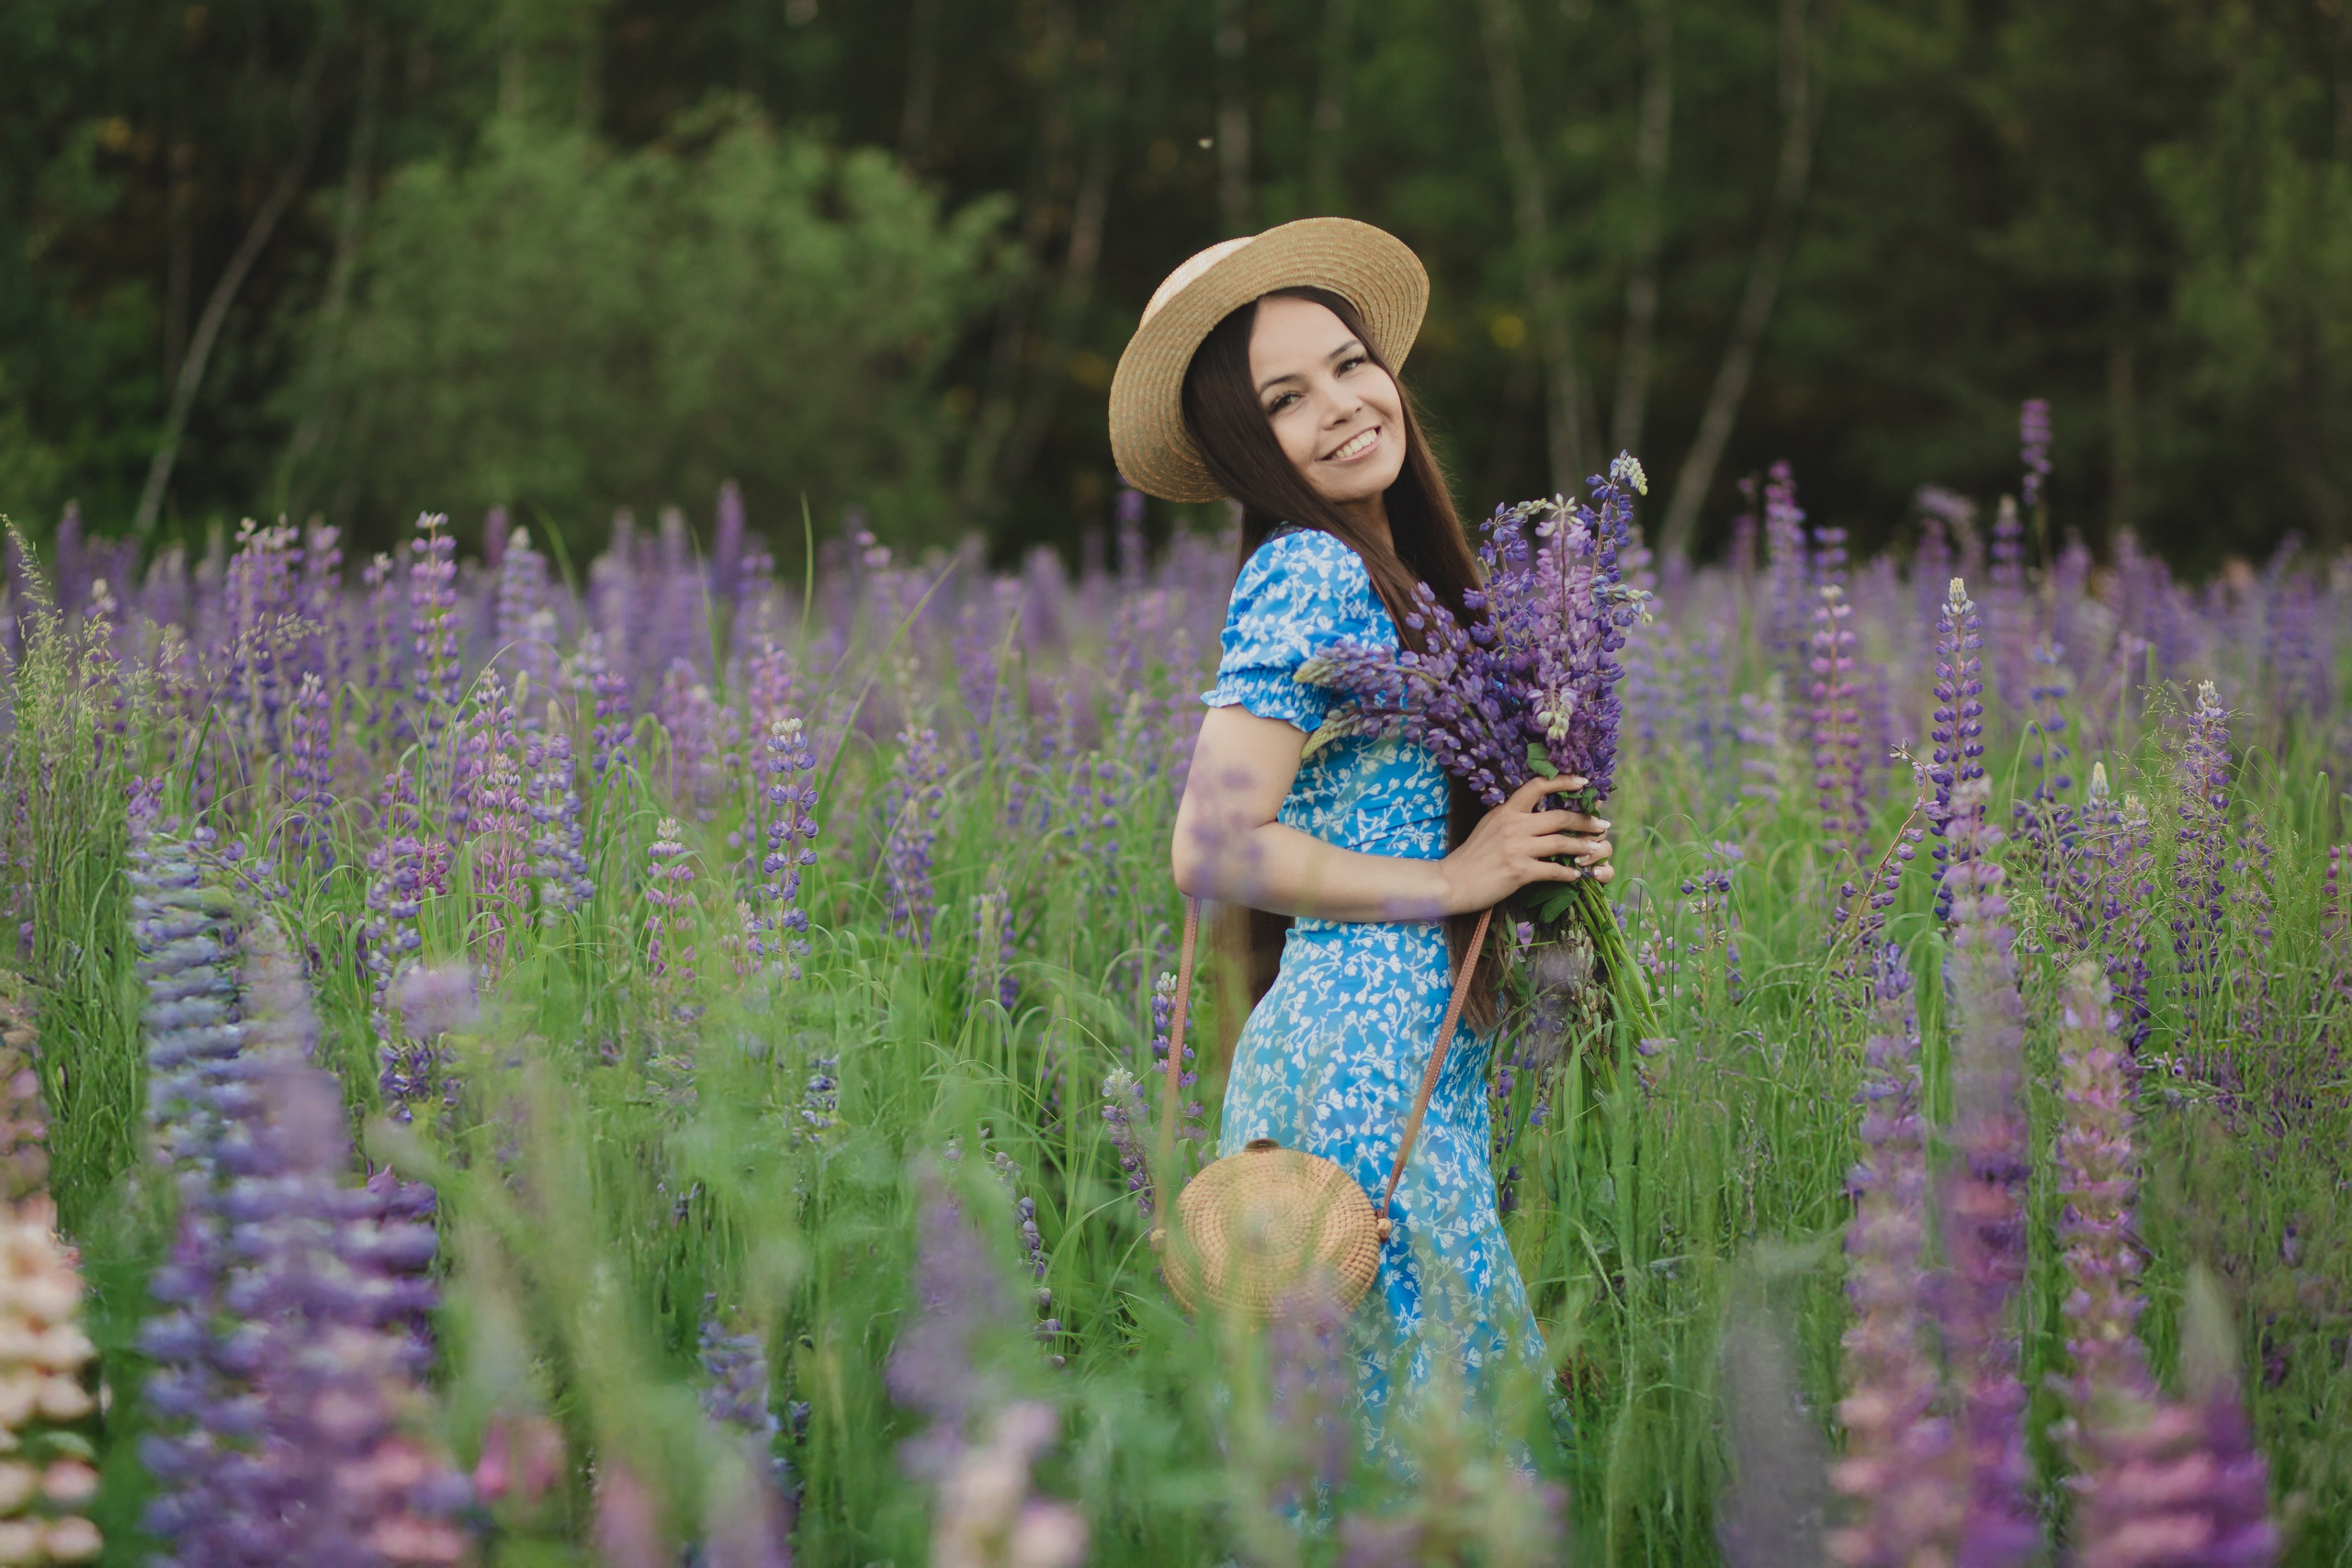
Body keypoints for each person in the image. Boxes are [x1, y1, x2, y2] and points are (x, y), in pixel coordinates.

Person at [1108, 218, 1617, 1457]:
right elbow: (1214, 849)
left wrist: (1534, 850)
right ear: (1246, 447)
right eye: (1287, 397)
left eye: (1348, 364)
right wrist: (1457, 873)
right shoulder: (1310, 573)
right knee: (1446, 1437)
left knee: (1381, 1434)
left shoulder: (1379, 566)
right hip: (1356, 1053)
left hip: (1386, 1035)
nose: (1340, 405)